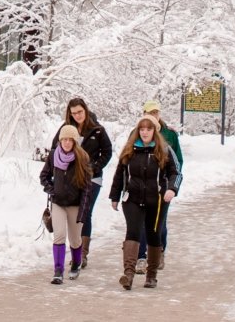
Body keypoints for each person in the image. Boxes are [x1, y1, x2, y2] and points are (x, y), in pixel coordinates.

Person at [109, 116, 180, 290]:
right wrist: (115, 196)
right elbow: (120, 173)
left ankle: (151, 275)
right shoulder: (130, 149)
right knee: (132, 231)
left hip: (157, 200)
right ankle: (129, 274)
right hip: (132, 198)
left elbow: (176, 173)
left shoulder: (164, 150)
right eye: (142, 129)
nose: (145, 132)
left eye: (149, 129)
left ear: (155, 131)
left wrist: (171, 189)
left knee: (153, 233)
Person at [49, 98, 111, 269]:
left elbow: (107, 151)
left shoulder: (97, 130)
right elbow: (54, 148)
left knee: (86, 211)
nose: (77, 116)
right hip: (70, 179)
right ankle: (75, 248)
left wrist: (94, 167)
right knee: (73, 213)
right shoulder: (66, 129)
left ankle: (82, 253)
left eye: (80, 112)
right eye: (73, 113)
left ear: (85, 110)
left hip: (92, 178)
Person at [41, 125, 93, 284]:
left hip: (75, 204)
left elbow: (87, 187)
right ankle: (58, 271)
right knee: (59, 236)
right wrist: (51, 189)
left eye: (70, 140)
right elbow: (44, 176)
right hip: (58, 203)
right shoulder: (53, 156)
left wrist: (83, 210)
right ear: (60, 140)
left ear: (75, 141)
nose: (67, 142)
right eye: (64, 139)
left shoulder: (82, 158)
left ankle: (76, 264)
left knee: (75, 239)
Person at [139, 100, 183, 271]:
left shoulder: (169, 134)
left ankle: (159, 250)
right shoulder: (137, 133)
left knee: (159, 224)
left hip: (162, 187)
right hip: (141, 187)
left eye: (156, 112)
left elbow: (177, 161)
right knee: (142, 223)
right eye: (150, 112)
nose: (153, 115)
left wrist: (172, 185)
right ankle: (141, 256)